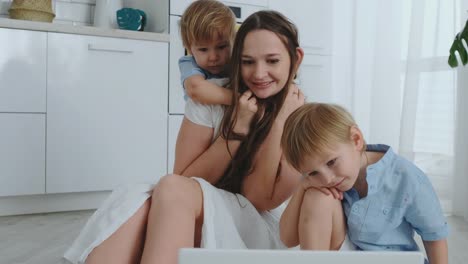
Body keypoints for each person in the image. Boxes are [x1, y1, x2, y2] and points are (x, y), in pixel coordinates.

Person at [63, 10, 323, 264]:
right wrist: (237, 130)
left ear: (296, 59)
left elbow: (260, 199)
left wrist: (279, 122)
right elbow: (184, 179)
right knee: (144, 200)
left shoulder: (303, 118)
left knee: (165, 191)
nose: (258, 73)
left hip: (261, 228)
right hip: (200, 208)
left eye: (272, 61)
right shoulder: (211, 98)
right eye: (247, 61)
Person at [279, 102, 449, 264]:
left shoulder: (407, 178)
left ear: (356, 139)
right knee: (316, 196)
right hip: (351, 255)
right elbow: (288, 239)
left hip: (393, 259)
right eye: (313, 172)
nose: (327, 179)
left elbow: (434, 235)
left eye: (331, 162)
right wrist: (303, 185)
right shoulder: (324, 178)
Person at [178, 0, 236, 105]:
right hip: (203, 120)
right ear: (189, 49)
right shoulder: (189, 63)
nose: (213, 57)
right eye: (203, 49)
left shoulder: (235, 62)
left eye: (221, 47)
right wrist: (238, 99)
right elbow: (195, 89)